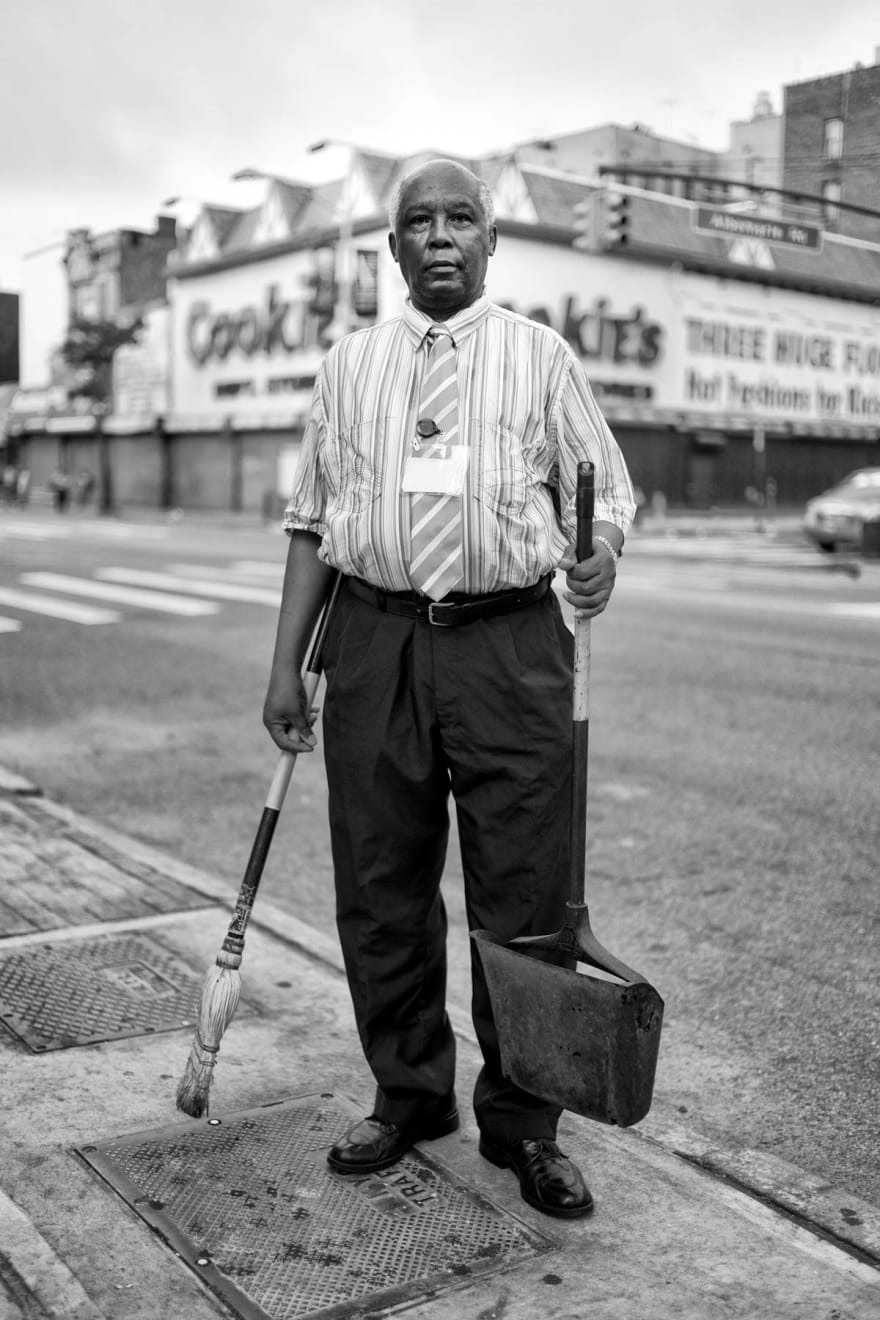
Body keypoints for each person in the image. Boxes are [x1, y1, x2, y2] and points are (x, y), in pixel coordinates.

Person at [263, 159, 636, 1219]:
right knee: (379, 884)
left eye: (459, 218)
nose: (438, 235)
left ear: (488, 241)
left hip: (510, 646)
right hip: (375, 643)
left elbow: (603, 487)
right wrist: (284, 663)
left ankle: (523, 1124)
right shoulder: (349, 366)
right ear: (391, 248)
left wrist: (599, 547)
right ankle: (409, 1095)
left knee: (524, 895)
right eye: (417, 220)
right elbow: (310, 524)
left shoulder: (539, 357)